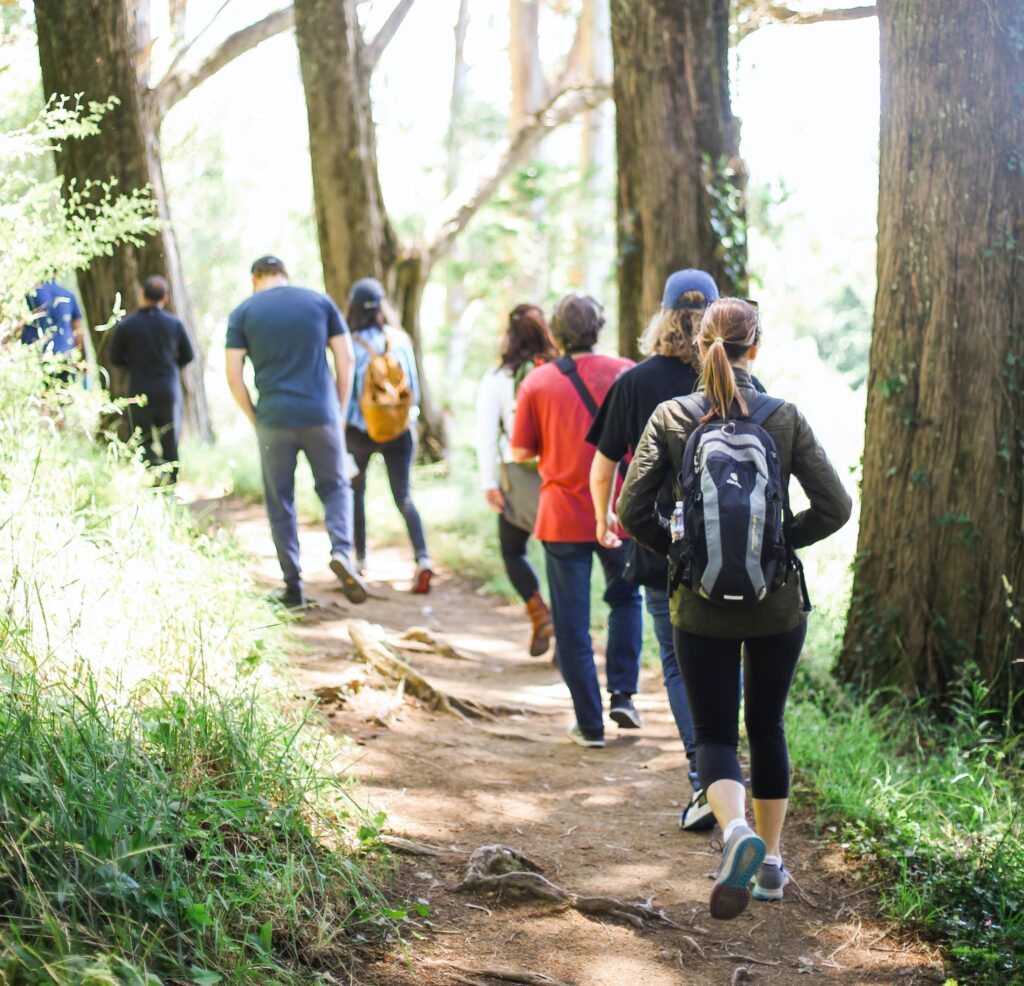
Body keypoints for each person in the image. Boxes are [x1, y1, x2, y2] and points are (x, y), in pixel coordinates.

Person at [617, 298, 852, 920]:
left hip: (699, 606)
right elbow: (836, 507)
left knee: (717, 731)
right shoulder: (784, 416)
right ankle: (771, 865)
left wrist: (682, 554)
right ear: (757, 347)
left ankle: (736, 833)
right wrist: (778, 545)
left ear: (699, 347)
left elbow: (630, 512)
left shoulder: (672, 416)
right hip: (776, 607)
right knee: (767, 725)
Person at [587, 269, 719, 829]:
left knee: (676, 661)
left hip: (659, 542)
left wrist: (604, 520)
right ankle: (728, 771)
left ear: (662, 317)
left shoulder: (635, 382)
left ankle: (704, 778)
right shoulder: (734, 381)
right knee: (726, 656)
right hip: (731, 545)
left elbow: (602, 467)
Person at [510, 294, 642, 748]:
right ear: (598, 327)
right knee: (626, 600)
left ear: (557, 333)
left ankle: (589, 724)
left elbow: (521, 451)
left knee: (571, 623)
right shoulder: (626, 372)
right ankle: (623, 693)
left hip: (563, 515)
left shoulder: (538, 383)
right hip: (620, 510)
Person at [225, 255, 367, 610]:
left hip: (273, 418)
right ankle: (342, 551)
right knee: (336, 488)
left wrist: (253, 415)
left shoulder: (244, 312)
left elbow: (233, 373)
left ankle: (293, 587)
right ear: (284, 275)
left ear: (255, 278)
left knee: (281, 502)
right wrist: (338, 409)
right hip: (321, 414)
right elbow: (345, 358)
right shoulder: (319, 302)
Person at [476, 304, 559, 656]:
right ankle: (568, 637)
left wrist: (489, 483)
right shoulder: (560, 371)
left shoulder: (498, 378)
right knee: (562, 557)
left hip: (516, 476)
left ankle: (539, 610)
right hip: (559, 475)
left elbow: (485, 434)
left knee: (513, 551)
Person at [344, 277, 433, 593]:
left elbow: (345, 394)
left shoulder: (349, 344)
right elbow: (415, 392)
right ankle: (423, 558)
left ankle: (359, 559)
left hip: (359, 431)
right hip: (399, 430)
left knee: (356, 492)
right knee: (404, 495)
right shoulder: (400, 340)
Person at [109, 275, 195, 483]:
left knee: (142, 438)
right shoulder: (174, 324)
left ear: (142, 294)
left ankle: (155, 476)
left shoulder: (126, 326)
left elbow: (115, 359)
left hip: (140, 388)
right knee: (170, 439)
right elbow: (188, 355)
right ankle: (171, 484)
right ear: (164, 299)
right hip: (168, 390)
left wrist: (134, 366)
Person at [21, 277, 85, 381]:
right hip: (64, 357)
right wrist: (80, 359)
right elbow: (79, 332)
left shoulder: (30, 294)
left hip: (35, 357)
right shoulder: (68, 295)